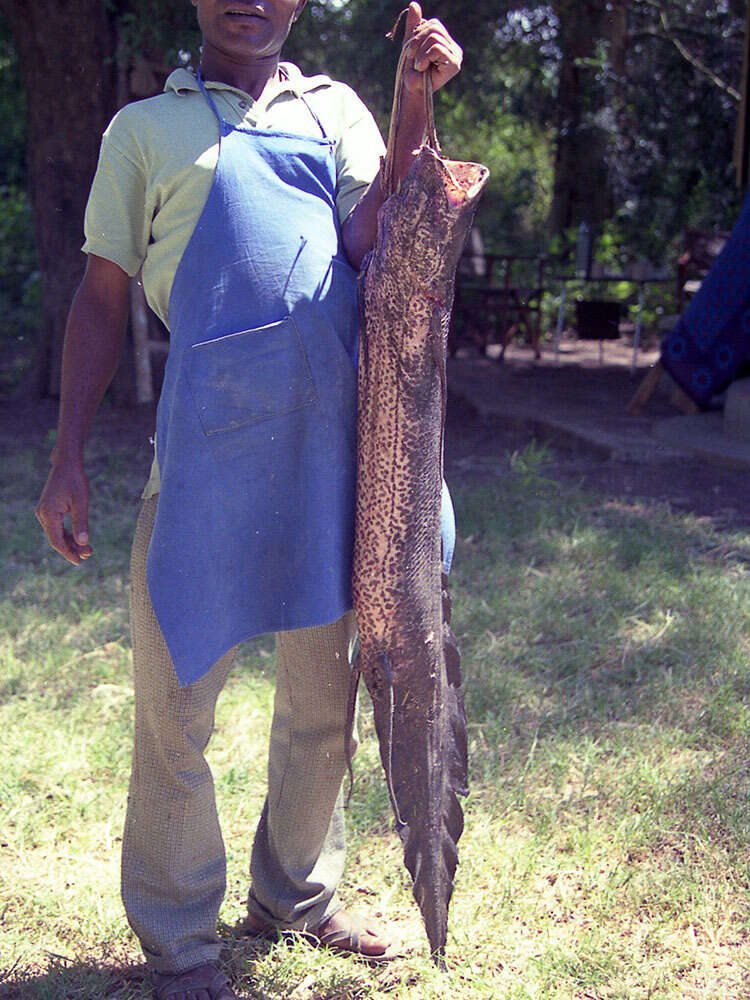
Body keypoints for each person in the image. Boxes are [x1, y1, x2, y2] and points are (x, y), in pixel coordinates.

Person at [35, 2, 462, 997]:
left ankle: (295, 895)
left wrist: (409, 106)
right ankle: (181, 941)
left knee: (324, 702)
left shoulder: (336, 111)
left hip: (332, 452)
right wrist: (65, 456)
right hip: (207, 460)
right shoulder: (147, 128)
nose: (252, 1)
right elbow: (102, 297)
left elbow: (376, 238)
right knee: (175, 708)